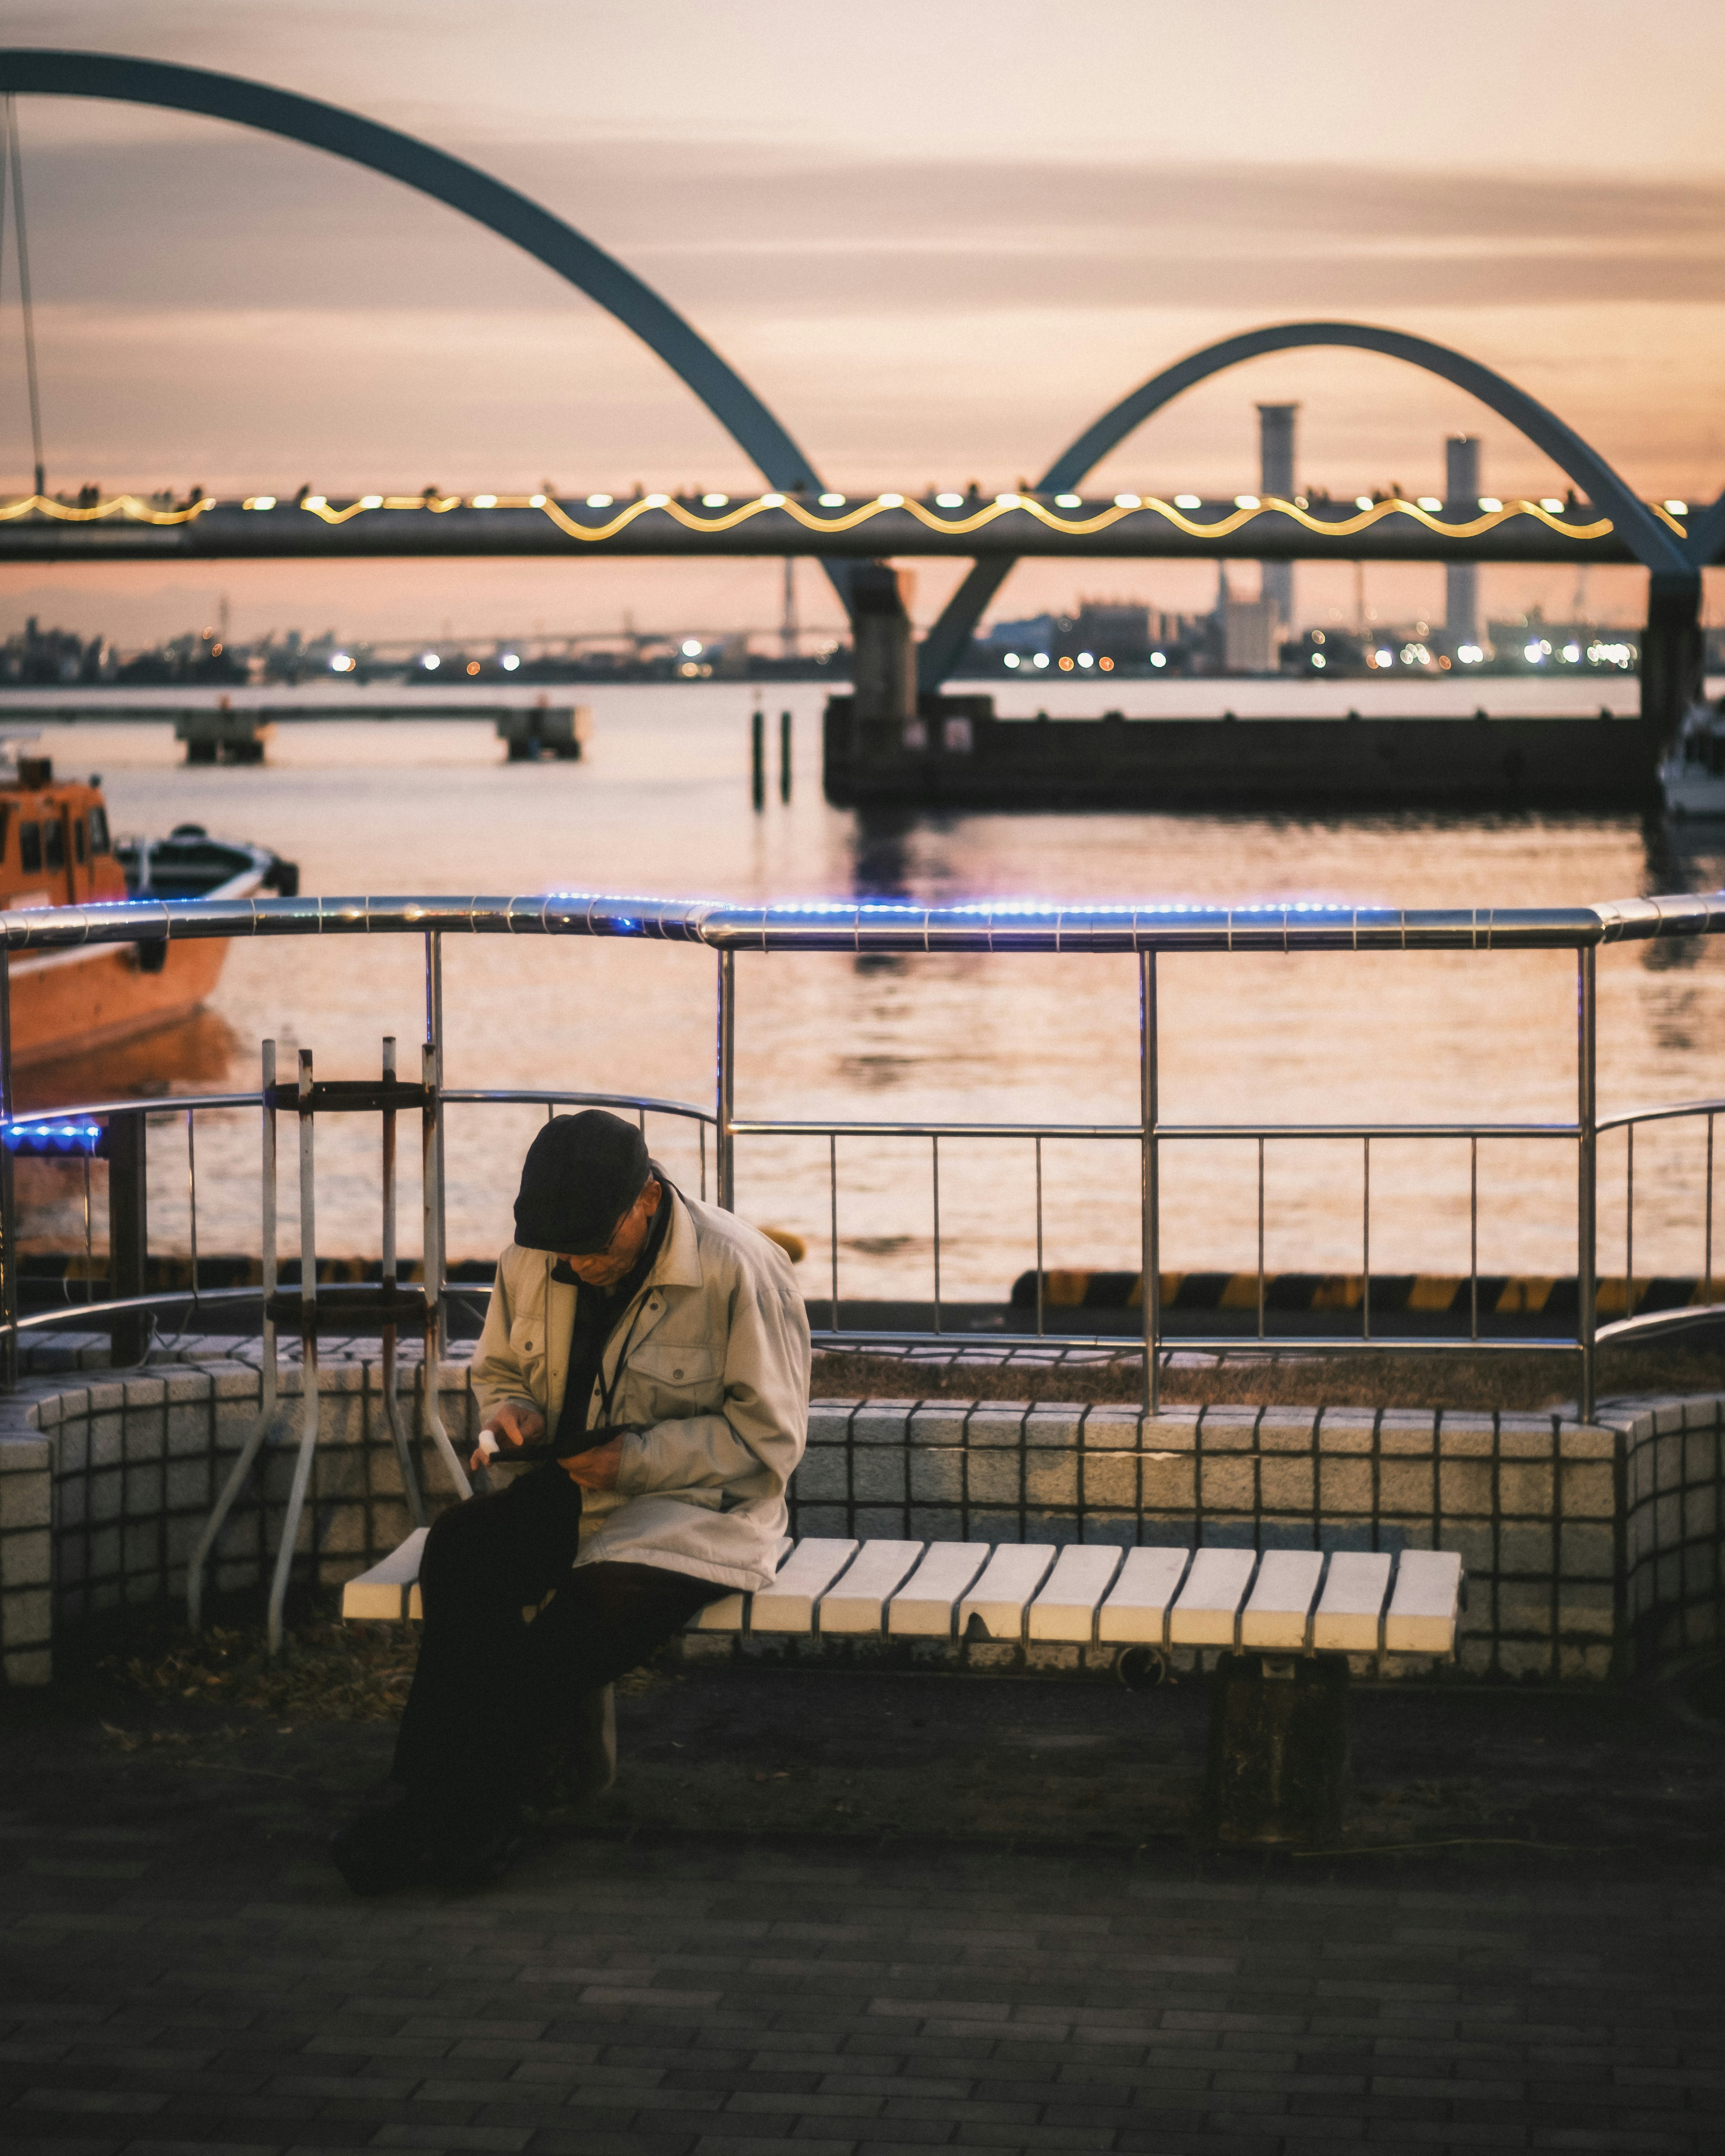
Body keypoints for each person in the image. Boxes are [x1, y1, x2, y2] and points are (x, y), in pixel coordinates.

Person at [331, 1108, 810, 1893]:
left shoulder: (739, 1267)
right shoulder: (534, 1252)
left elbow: (771, 1445)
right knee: (462, 1548)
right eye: (563, 1249)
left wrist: (636, 1460)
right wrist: (508, 1416)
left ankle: (454, 1814)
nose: (578, 1263)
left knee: (572, 1627)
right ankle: (445, 1804)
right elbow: (497, 1373)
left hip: (704, 1513)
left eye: (596, 1244)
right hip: (577, 1484)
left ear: (647, 1200)